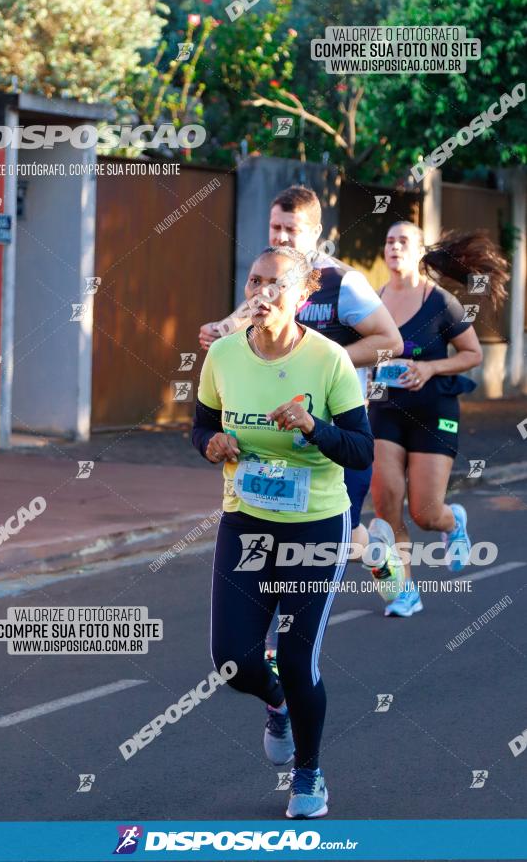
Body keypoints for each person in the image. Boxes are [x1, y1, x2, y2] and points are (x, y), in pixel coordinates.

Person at [192, 245, 373, 818]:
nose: (262, 293)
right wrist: (211, 445)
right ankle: (277, 705)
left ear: (302, 296)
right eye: (254, 281)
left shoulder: (329, 361)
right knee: (232, 659)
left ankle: (309, 775)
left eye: (275, 284)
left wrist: (314, 426)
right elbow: (199, 426)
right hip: (245, 521)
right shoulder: (222, 356)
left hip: (315, 526)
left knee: (297, 660)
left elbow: (362, 451)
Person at [199, 185, 402, 560]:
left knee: (335, 537)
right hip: (269, 433)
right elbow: (238, 329)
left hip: (332, 427)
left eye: (291, 230)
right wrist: (218, 331)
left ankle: (382, 558)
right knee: (288, 540)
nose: (281, 237)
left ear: (315, 233)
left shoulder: (343, 282)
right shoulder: (268, 280)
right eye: (276, 227)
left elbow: (392, 342)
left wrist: (321, 360)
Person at [368, 223, 509, 617]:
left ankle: (453, 522)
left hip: (434, 412)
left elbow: (472, 355)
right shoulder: (372, 302)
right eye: (389, 240)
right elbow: (362, 351)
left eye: (403, 242)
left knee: (424, 512)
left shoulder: (441, 302)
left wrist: (430, 370)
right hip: (385, 410)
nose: (394, 246)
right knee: (387, 505)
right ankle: (405, 591)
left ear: (418, 253)